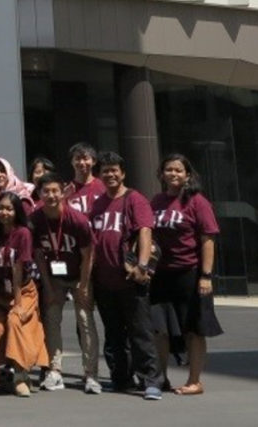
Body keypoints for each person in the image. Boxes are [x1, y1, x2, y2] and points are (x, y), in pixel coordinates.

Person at [88, 151, 165, 400]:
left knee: (140, 332)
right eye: (105, 171)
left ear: (123, 172)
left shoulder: (135, 199)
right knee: (113, 335)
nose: (110, 174)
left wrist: (142, 266)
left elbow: (145, 232)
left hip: (131, 279)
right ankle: (120, 378)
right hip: (104, 281)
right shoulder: (97, 203)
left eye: (114, 170)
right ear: (99, 175)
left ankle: (151, 380)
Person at [149, 154, 223, 396]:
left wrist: (206, 276)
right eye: (168, 169)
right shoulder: (157, 200)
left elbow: (208, 239)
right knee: (159, 329)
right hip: (161, 274)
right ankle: (161, 378)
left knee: (194, 329)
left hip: (189, 274)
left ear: (187, 175)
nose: (173, 174)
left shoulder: (197, 202)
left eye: (178, 170)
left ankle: (195, 381)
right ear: (161, 174)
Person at [29, 172, 100, 393]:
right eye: (46, 191)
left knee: (84, 319)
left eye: (55, 191)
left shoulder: (76, 219)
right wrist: (48, 285)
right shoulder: (36, 218)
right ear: (39, 194)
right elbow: (39, 255)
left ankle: (90, 374)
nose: (51, 195)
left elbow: (88, 254)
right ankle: (55, 370)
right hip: (54, 277)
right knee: (52, 318)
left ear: (63, 193)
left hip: (79, 274)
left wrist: (85, 284)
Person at [0, 192, 48, 397]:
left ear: (17, 211)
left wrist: (19, 303)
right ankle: (3, 372)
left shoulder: (22, 233)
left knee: (15, 321)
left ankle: (22, 376)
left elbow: (18, 269)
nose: (4, 212)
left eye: (9, 208)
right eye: (0, 208)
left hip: (22, 290)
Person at [63, 143, 104, 216]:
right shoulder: (66, 189)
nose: (81, 163)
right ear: (72, 162)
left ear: (94, 161)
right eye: (77, 159)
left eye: (85, 158)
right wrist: (63, 197)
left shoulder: (103, 187)